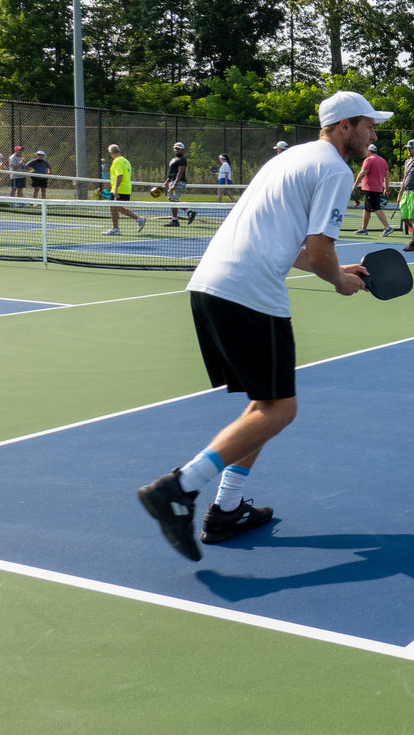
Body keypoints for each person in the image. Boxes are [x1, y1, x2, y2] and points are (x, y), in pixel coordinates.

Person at [136, 90, 387, 561]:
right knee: (280, 410)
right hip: (249, 292)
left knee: (263, 404)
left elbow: (292, 246)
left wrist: (337, 269)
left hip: (211, 284)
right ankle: (179, 487)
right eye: (368, 125)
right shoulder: (334, 168)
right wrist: (338, 281)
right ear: (345, 126)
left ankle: (226, 509)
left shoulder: (290, 159)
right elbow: (317, 251)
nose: (374, 134)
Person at [102, 145, 146, 235]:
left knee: (114, 207)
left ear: (111, 153)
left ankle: (118, 227)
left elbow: (120, 175)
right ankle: (119, 227)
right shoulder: (126, 161)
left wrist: (115, 189)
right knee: (116, 207)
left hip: (120, 189)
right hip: (126, 189)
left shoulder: (117, 161)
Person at [353, 143, 395, 236]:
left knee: (376, 207)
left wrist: (355, 185)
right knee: (367, 208)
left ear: (369, 151)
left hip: (370, 188)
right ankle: (363, 228)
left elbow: (362, 174)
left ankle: (387, 227)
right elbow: (387, 177)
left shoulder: (368, 160)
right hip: (377, 188)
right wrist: (386, 189)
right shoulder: (383, 161)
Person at [164, 142, 196, 226]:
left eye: (178, 148)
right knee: (172, 199)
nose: (176, 150)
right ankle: (178, 218)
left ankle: (185, 214)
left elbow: (180, 172)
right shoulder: (174, 159)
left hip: (179, 182)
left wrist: (175, 183)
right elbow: (172, 173)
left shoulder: (182, 159)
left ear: (182, 150)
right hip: (173, 181)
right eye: (175, 148)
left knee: (173, 199)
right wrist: (167, 181)